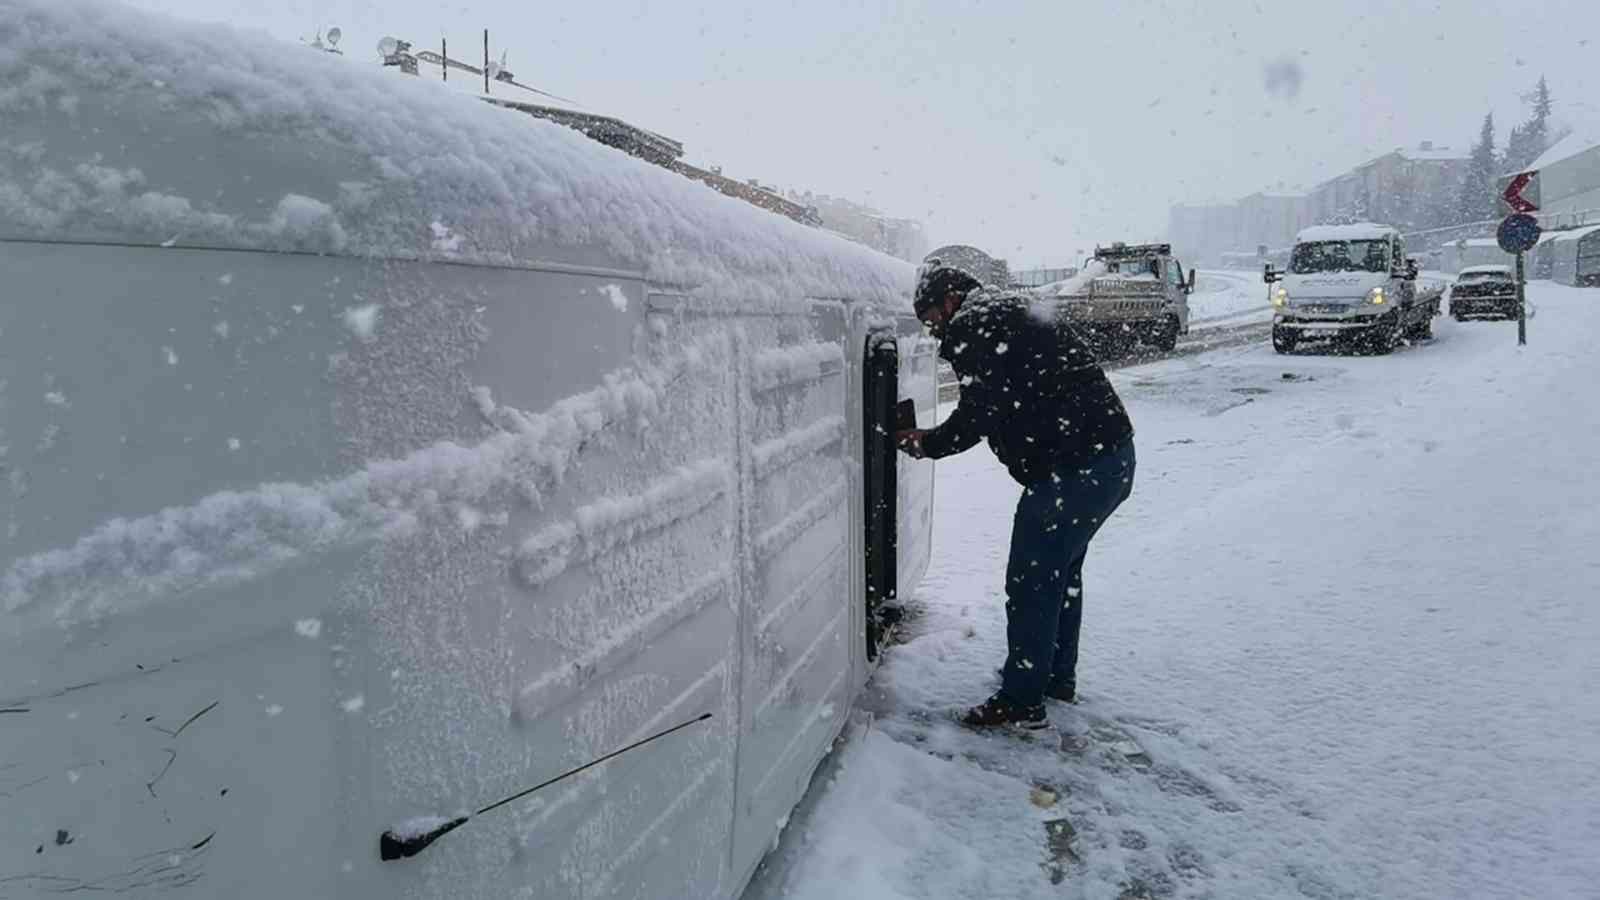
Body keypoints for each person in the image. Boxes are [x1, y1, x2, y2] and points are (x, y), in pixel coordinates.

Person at [897, 258, 1136, 730]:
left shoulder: (974, 324)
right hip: (1111, 460)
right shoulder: (1004, 309)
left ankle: (1023, 700)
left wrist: (925, 444)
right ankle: (1053, 678)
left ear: (948, 301)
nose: (932, 332)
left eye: (930, 320)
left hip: (1074, 471)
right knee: (1059, 575)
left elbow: (978, 413)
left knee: (1031, 581)